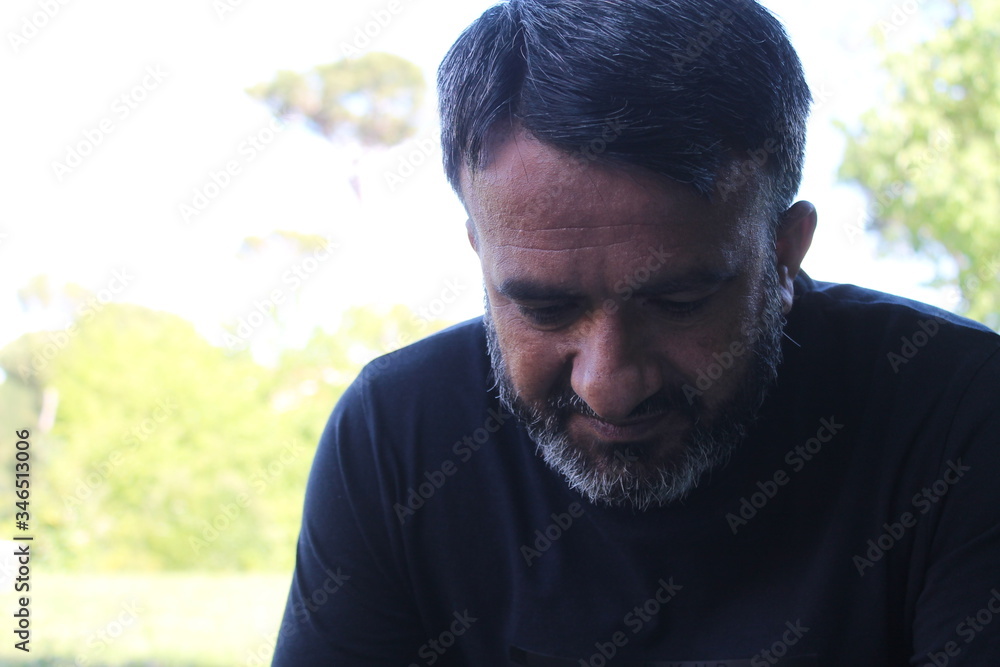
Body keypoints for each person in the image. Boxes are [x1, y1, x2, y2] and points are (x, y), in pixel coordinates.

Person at [272, 0, 1000, 664]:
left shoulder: (960, 417)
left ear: (785, 255)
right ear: (480, 253)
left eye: (679, 301)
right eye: (545, 309)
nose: (608, 385)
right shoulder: (398, 438)